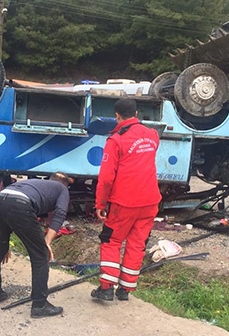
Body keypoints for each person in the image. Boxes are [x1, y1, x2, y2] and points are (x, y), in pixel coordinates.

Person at [92, 98, 161, 302]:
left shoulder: (116, 140)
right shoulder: (152, 136)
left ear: (117, 116)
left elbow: (106, 178)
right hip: (150, 202)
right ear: (137, 114)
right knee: (137, 243)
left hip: (124, 203)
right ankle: (125, 290)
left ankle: (106, 288)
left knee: (111, 241)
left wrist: (100, 204)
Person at [0, 172, 71, 318]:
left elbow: (8, 206)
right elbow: (60, 214)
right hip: (19, 204)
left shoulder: (32, 184)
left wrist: (2, 243)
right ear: (65, 184)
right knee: (41, 255)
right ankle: (40, 305)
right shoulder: (62, 189)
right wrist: (47, 242)